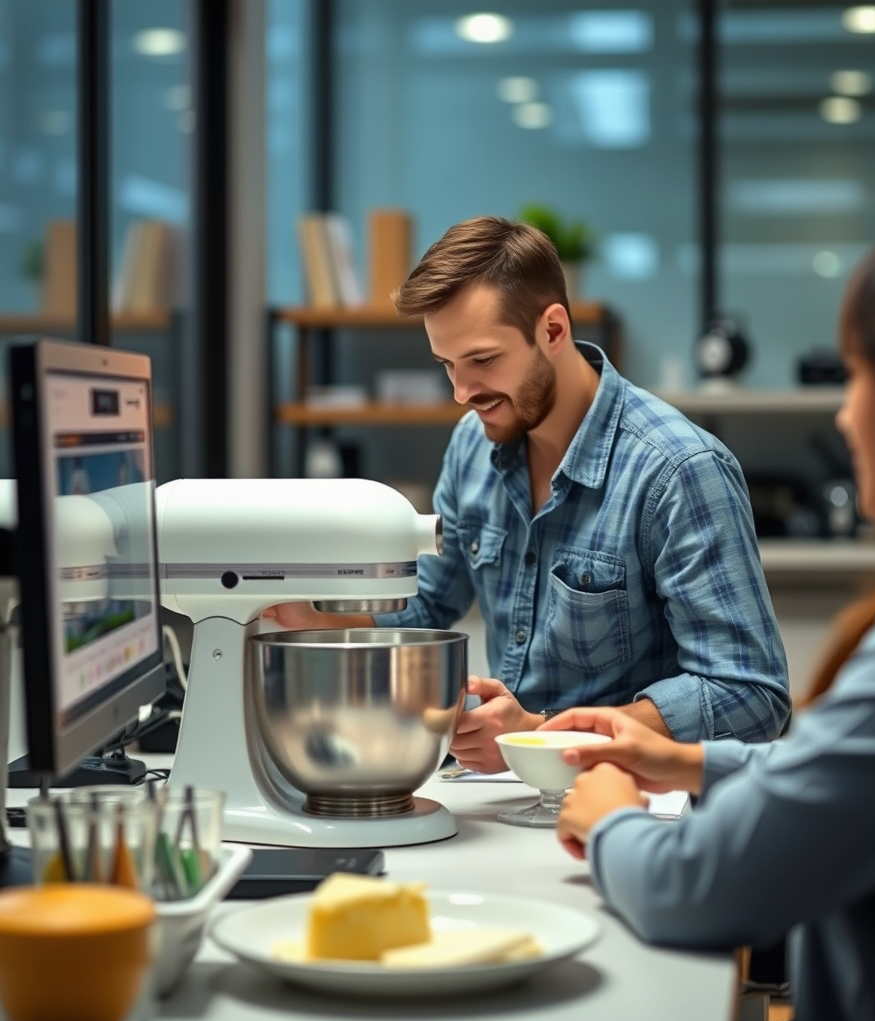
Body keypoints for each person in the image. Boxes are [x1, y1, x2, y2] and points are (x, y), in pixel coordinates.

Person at [548, 207, 875, 1021]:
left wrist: (614, 824)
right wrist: (685, 761)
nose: (844, 414)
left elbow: (703, 887)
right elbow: (858, 778)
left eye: (860, 376)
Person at [269, 215, 789, 772]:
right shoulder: (472, 445)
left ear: (554, 330)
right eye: (447, 365)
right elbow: (428, 602)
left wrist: (542, 736)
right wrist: (314, 617)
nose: (462, 393)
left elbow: (750, 694)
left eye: (483, 361)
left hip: (628, 799)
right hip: (508, 794)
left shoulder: (679, 470)